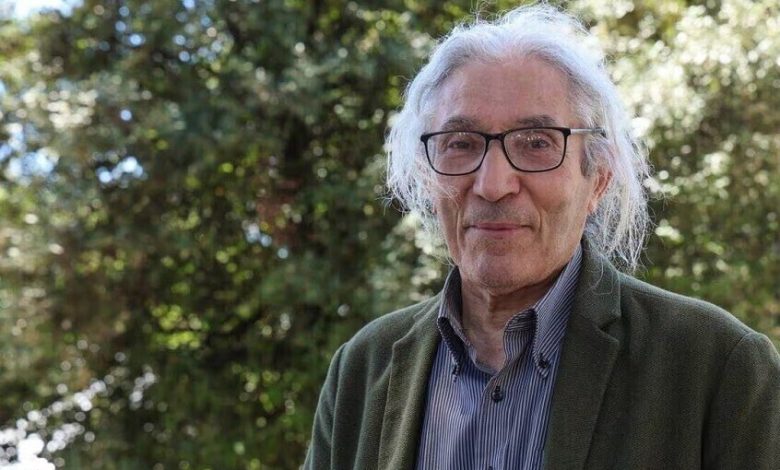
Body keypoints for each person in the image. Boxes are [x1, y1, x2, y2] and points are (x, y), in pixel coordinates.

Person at [304, 4, 780, 469]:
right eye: (461, 144)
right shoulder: (363, 370)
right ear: (428, 177)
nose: (493, 184)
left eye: (536, 144)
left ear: (597, 179)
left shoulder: (719, 368)